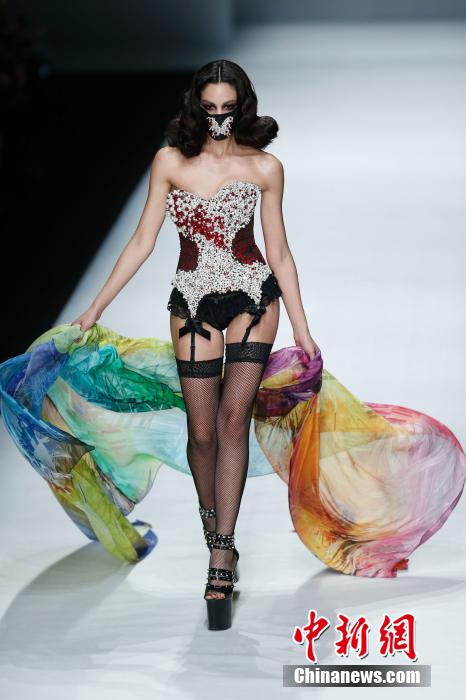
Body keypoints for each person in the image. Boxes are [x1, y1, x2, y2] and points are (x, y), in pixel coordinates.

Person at [70, 59, 319, 630]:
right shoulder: (169, 162)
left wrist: (301, 327)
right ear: (195, 107)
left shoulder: (265, 168)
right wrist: (96, 306)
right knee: (201, 431)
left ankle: (221, 557)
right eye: (209, 109)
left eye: (228, 109)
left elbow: (279, 251)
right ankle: (215, 530)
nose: (219, 119)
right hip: (192, 301)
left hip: (254, 297)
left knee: (233, 420)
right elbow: (142, 240)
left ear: (243, 107)